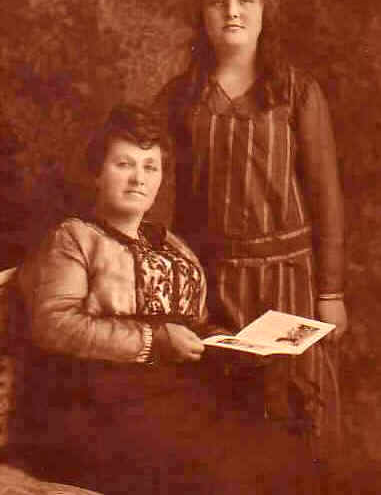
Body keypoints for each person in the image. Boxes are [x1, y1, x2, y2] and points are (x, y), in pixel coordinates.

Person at [11, 104, 319, 495]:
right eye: (124, 164)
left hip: (172, 394)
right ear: (97, 174)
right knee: (225, 474)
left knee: (283, 455)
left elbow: (195, 321)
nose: (138, 178)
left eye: (150, 167)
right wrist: (155, 340)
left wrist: (228, 341)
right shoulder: (73, 238)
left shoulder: (172, 245)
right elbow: (54, 325)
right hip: (92, 405)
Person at [155, 0, 347, 463]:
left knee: (296, 412)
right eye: (218, 2)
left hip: (289, 279)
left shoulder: (296, 92)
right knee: (223, 419)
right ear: (202, 15)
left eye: (246, 0)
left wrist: (329, 291)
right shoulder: (181, 97)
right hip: (212, 283)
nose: (232, 13)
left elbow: (326, 196)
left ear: (265, 12)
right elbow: (163, 198)